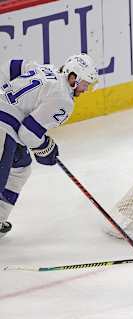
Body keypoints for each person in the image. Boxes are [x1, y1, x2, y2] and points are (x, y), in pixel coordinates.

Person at [0, 54, 99, 238]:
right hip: (4, 129)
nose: (85, 89)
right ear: (73, 77)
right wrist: (45, 147)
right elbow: (28, 134)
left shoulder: (45, 69)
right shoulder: (63, 100)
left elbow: (12, 65)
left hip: (8, 126)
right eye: (85, 83)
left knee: (20, 168)